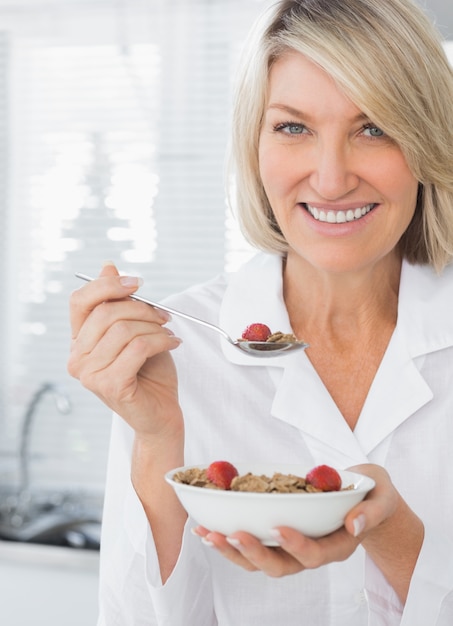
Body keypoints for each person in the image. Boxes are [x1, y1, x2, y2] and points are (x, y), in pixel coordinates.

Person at [68, 0, 453, 623]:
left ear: (428, 138)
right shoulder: (176, 349)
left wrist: (393, 533)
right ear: (255, 145)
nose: (330, 180)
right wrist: (158, 438)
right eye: (293, 128)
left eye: (374, 127)